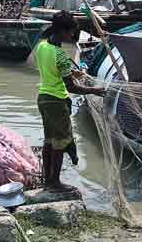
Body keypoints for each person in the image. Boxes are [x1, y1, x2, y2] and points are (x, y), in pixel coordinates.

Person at [35, 12, 104, 191]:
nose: (72, 36)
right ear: (62, 31)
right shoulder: (60, 55)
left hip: (43, 97)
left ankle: (47, 179)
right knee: (60, 142)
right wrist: (95, 90)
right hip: (57, 101)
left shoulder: (42, 46)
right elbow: (72, 88)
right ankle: (55, 182)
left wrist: (72, 73)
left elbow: (51, 70)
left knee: (49, 140)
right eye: (70, 32)